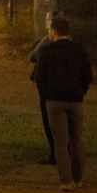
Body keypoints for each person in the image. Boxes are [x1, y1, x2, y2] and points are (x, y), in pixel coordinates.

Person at [36, 16, 93, 191]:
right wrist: (81, 91)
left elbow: (39, 79)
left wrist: (46, 96)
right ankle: (78, 179)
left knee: (60, 142)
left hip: (55, 101)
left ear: (53, 31)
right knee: (76, 140)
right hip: (75, 100)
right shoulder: (78, 49)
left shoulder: (46, 51)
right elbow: (88, 75)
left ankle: (66, 180)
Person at [29, 10, 65, 164]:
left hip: (49, 88)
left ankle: (55, 153)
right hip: (67, 89)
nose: (46, 24)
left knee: (50, 121)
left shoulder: (46, 42)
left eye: (48, 21)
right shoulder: (72, 42)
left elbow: (32, 56)